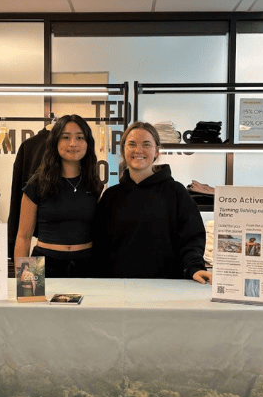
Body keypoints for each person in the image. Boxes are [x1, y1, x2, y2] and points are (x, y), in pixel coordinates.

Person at [94, 121, 212, 283]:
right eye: (132, 144)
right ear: (123, 150)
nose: (138, 150)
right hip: (118, 289)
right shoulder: (110, 197)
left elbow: (191, 239)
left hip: (165, 289)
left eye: (146, 144)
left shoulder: (176, 193)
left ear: (156, 151)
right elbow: (99, 247)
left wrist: (195, 267)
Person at [14, 115, 103, 278]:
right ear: (55, 142)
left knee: (92, 304)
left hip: (87, 265)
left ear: (88, 144)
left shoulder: (95, 184)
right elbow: (24, 236)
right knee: (35, 303)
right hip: (43, 264)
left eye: (80, 137)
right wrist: (23, 282)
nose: (73, 144)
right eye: (66, 137)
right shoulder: (37, 184)